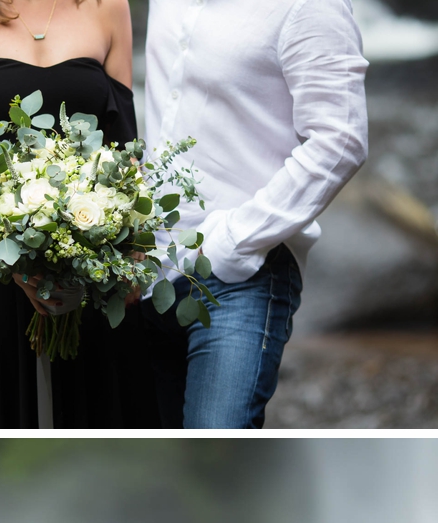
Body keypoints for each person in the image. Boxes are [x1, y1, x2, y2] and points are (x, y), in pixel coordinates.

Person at [0, 0, 160, 430]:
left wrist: (132, 245)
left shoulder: (108, 5)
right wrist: (13, 251)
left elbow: (124, 151)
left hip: (93, 270)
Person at [140, 0, 369, 429]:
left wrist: (231, 240)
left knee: (220, 463)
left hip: (242, 272)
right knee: (158, 472)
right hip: (147, 269)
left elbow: (342, 138)